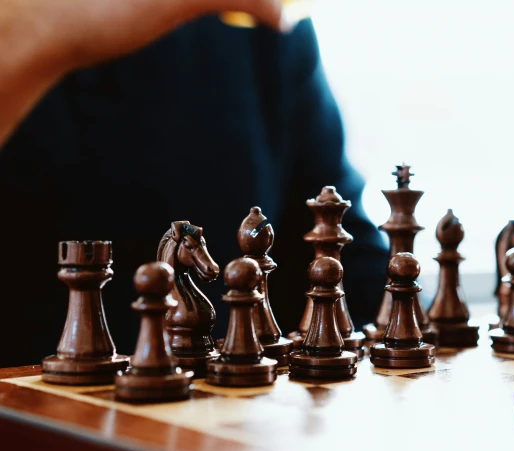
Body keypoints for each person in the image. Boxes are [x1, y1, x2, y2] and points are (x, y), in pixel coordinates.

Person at [0, 0, 388, 367]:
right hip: (35, 424)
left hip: (216, 423)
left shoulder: (251, 21)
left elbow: (344, 258)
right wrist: (36, 34)